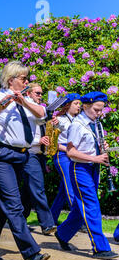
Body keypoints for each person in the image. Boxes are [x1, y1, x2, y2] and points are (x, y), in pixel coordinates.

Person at [0, 61, 50, 260]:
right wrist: (1, 108)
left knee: (2, 205)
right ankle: (31, 254)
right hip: (0, 154)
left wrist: (24, 102)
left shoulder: (27, 101)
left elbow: (42, 115)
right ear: (11, 80)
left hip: (22, 156)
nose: (27, 82)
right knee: (14, 204)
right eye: (23, 79)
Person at [54, 91, 118, 260]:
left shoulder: (96, 123)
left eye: (101, 110)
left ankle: (62, 233)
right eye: (96, 109)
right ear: (86, 106)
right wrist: (94, 157)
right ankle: (100, 247)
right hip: (80, 168)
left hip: (92, 168)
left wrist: (101, 144)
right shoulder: (77, 125)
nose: (99, 113)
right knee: (91, 205)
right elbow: (71, 152)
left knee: (80, 207)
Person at [20, 83, 57, 235]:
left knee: (28, 191)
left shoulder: (40, 110)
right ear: (28, 94)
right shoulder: (25, 108)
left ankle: (19, 220)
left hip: (39, 154)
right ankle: (47, 224)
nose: (41, 96)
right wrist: (38, 142)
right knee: (38, 188)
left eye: (42, 93)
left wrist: (53, 124)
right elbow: (22, 133)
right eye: (38, 93)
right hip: (29, 152)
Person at [50, 93, 81, 224]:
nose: (79, 106)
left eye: (79, 104)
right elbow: (53, 142)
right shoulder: (60, 120)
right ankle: (77, 220)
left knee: (64, 191)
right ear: (67, 105)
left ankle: (49, 220)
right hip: (62, 155)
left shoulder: (78, 120)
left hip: (73, 155)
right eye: (76, 103)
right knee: (71, 188)